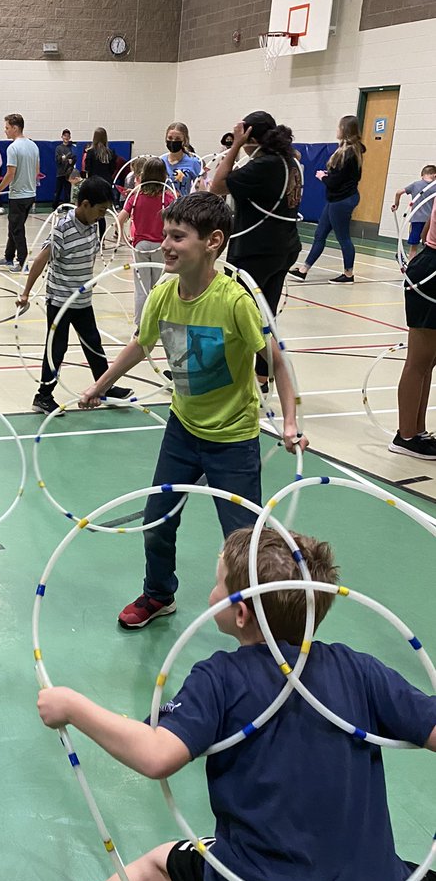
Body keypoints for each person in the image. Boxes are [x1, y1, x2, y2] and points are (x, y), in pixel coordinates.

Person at [0, 526, 436, 881]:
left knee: (158, 867)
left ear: (241, 612)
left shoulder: (220, 677)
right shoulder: (361, 670)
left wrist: (72, 706)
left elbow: (157, 753)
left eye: (217, 584)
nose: (209, 594)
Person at [80, 193, 305, 629]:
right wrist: (98, 386)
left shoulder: (235, 301)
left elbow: (276, 360)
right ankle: (158, 594)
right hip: (182, 430)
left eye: (177, 236)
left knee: (243, 541)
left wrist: (290, 422)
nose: (165, 244)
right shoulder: (163, 294)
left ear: (213, 242)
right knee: (157, 521)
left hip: (233, 438)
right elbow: (140, 344)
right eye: (165, 234)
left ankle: (261, 621)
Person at [17, 177, 133, 415]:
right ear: (85, 204)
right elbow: (41, 260)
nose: (102, 216)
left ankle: (105, 387)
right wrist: (26, 293)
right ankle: (43, 396)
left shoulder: (93, 224)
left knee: (93, 344)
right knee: (57, 348)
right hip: (60, 300)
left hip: (82, 299)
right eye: (100, 210)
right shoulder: (62, 228)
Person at [210, 111, 303, 389]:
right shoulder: (290, 162)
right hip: (283, 246)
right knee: (266, 315)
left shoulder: (265, 164)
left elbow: (217, 186)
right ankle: (263, 376)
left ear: (250, 134)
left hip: (255, 249)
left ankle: (225, 374)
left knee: (235, 313)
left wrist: (235, 146)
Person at [288, 116, 365, 284]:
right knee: (320, 234)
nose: (337, 130)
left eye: (339, 127)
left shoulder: (349, 152)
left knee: (343, 237)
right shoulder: (348, 150)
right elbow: (343, 177)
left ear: (344, 129)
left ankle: (348, 274)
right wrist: (329, 176)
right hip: (336, 198)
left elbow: (337, 181)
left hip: (342, 199)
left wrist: (323, 177)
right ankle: (303, 270)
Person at [391, 204, 436, 459]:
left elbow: (428, 228)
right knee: (419, 362)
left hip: (429, 267)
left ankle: (418, 431)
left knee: (428, 361)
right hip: (431, 276)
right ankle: (406, 435)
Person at [121, 156, 167, 324]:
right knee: (159, 287)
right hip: (160, 245)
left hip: (140, 245)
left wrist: (124, 237)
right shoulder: (167, 198)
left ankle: (140, 324)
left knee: (142, 288)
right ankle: (157, 322)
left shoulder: (136, 196)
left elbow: (120, 218)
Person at [0, 113, 40, 273]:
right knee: (14, 226)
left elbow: (10, 174)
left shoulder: (13, 148)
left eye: (7, 128)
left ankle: (23, 263)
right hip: (30, 195)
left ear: (15, 128)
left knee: (17, 229)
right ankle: (8, 256)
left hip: (18, 196)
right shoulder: (34, 146)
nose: (5, 131)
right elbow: (37, 171)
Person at [392, 166, 436, 259]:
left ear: (422, 175)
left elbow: (398, 192)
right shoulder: (434, 187)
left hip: (416, 219)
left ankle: (411, 266)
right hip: (430, 222)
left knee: (413, 246)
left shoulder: (416, 184)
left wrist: (396, 204)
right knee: (428, 246)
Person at [82, 128, 116, 239]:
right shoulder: (110, 153)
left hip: (94, 185)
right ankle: (102, 240)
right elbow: (112, 169)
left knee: (91, 211)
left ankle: (90, 238)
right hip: (106, 185)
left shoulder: (91, 152)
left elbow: (88, 169)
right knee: (102, 213)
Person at [162, 121, 202, 197]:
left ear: (184, 140)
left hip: (182, 205)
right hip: (164, 205)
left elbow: (200, 188)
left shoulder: (193, 162)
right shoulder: (161, 161)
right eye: (170, 138)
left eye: (177, 139)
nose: (173, 141)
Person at [53, 130, 77, 209]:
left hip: (68, 174)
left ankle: (66, 207)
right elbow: (57, 159)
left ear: (70, 137)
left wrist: (72, 161)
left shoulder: (72, 148)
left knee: (67, 191)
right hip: (60, 173)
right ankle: (55, 207)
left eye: (68, 136)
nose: (66, 137)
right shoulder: (58, 148)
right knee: (58, 191)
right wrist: (62, 158)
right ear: (62, 137)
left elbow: (74, 159)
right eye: (65, 136)